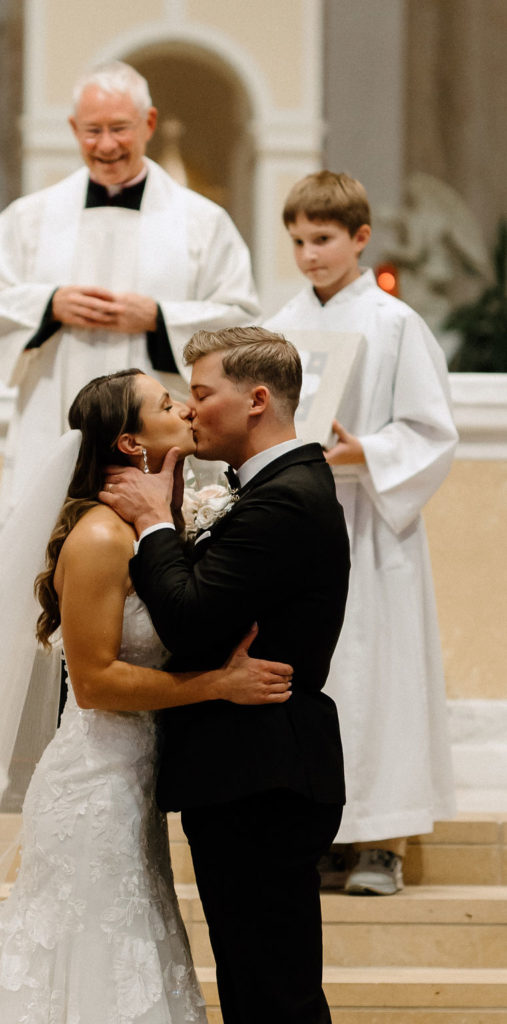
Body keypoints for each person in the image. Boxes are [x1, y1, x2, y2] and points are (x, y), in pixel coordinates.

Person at [0, 369, 294, 1024]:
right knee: (83, 951)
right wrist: (218, 684)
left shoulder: (150, 525)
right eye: (165, 404)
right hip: (92, 788)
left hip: (132, 778)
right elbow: (97, 683)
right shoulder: (101, 537)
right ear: (131, 443)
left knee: (125, 949)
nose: (183, 406)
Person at [102, 328, 351, 1024]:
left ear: (257, 400)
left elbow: (190, 621)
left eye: (203, 393)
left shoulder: (284, 498)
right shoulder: (270, 487)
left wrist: (153, 522)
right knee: (254, 987)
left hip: (261, 771)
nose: (190, 409)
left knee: (275, 994)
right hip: (245, 770)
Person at [265, 170, 459, 895]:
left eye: (322, 239)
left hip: (373, 520)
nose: (309, 254)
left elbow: (431, 430)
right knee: (321, 676)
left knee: (378, 674)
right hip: (302, 522)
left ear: (359, 239)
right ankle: (323, 831)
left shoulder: (394, 324)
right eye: (297, 241)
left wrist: (364, 452)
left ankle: (381, 840)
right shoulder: (281, 326)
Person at [0, 60, 260, 521]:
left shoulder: (202, 222)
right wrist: (49, 305)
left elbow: (238, 318)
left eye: (119, 128)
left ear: (149, 124)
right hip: (54, 417)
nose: (105, 145)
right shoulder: (30, 218)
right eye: (92, 130)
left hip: (158, 430)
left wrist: (159, 319)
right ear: (73, 128)